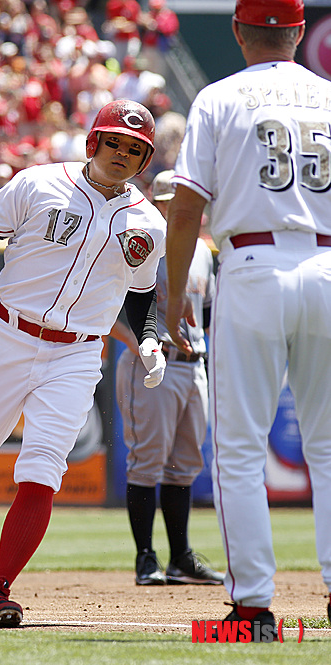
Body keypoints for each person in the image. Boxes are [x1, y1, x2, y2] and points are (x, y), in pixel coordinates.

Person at [0, 99, 167, 628]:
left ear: (144, 159)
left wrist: (149, 339)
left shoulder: (147, 222)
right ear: (93, 143)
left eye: (135, 150)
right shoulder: (38, 183)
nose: (122, 155)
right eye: (114, 143)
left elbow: (141, 295)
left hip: (79, 352)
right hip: (9, 335)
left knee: (42, 470)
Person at [165, 0, 331, 639]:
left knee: (237, 451)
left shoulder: (217, 98)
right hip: (325, 265)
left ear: (238, 30)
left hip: (252, 265)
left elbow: (185, 211)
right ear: (297, 31)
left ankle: (254, 609)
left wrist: (178, 291)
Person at [114, 169, 222, 587]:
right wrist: (137, 346)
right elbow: (108, 310)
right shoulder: (141, 247)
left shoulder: (201, 252)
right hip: (152, 364)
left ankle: (180, 558)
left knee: (184, 466)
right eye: (172, 201)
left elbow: (208, 316)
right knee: (147, 463)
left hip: (194, 364)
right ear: (157, 203)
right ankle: (146, 559)